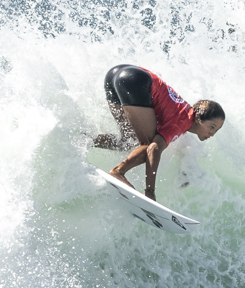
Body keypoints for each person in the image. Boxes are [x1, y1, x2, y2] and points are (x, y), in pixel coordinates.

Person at [94, 64, 224, 200]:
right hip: (136, 81)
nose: (212, 133)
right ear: (198, 118)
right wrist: (150, 190)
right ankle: (118, 172)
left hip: (119, 74)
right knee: (148, 144)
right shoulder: (183, 121)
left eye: (217, 130)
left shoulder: (183, 113)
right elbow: (154, 149)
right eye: (212, 127)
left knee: (128, 141)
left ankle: (87, 140)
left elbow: (185, 146)